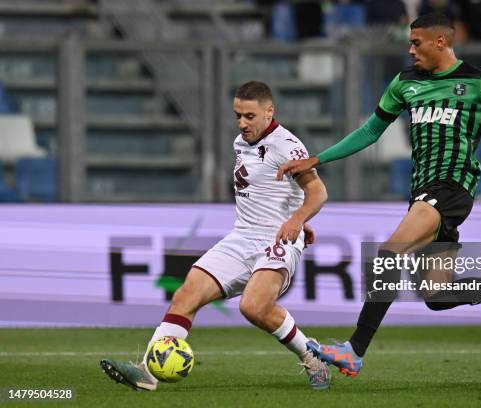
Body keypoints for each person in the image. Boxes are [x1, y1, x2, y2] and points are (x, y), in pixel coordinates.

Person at [276, 12, 481, 378]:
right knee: (437, 297)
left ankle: (354, 350)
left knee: (389, 253)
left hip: (452, 187)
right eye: (410, 43)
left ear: (440, 42)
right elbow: (369, 132)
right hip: (423, 192)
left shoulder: (479, 81)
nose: (410, 50)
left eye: (416, 43)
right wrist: (319, 158)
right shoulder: (404, 82)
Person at [101, 81, 331, 391]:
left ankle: (311, 355)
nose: (242, 123)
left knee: (253, 307)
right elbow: (267, 190)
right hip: (242, 237)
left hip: (277, 241)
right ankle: (147, 371)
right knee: (186, 294)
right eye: (238, 115)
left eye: (249, 116)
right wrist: (295, 214)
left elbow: (317, 192)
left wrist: (298, 219)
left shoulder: (287, 145)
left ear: (269, 111)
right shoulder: (241, 142)